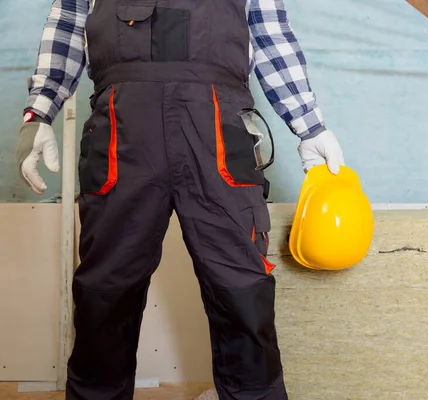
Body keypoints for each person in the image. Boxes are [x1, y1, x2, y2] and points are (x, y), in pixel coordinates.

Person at [16, 0, 345, 399]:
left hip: (218, 134)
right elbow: (68, 25)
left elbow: (271, 34)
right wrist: (39, 112)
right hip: (122, 133)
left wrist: (309, 126)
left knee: (241, 287)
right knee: (106, 291)